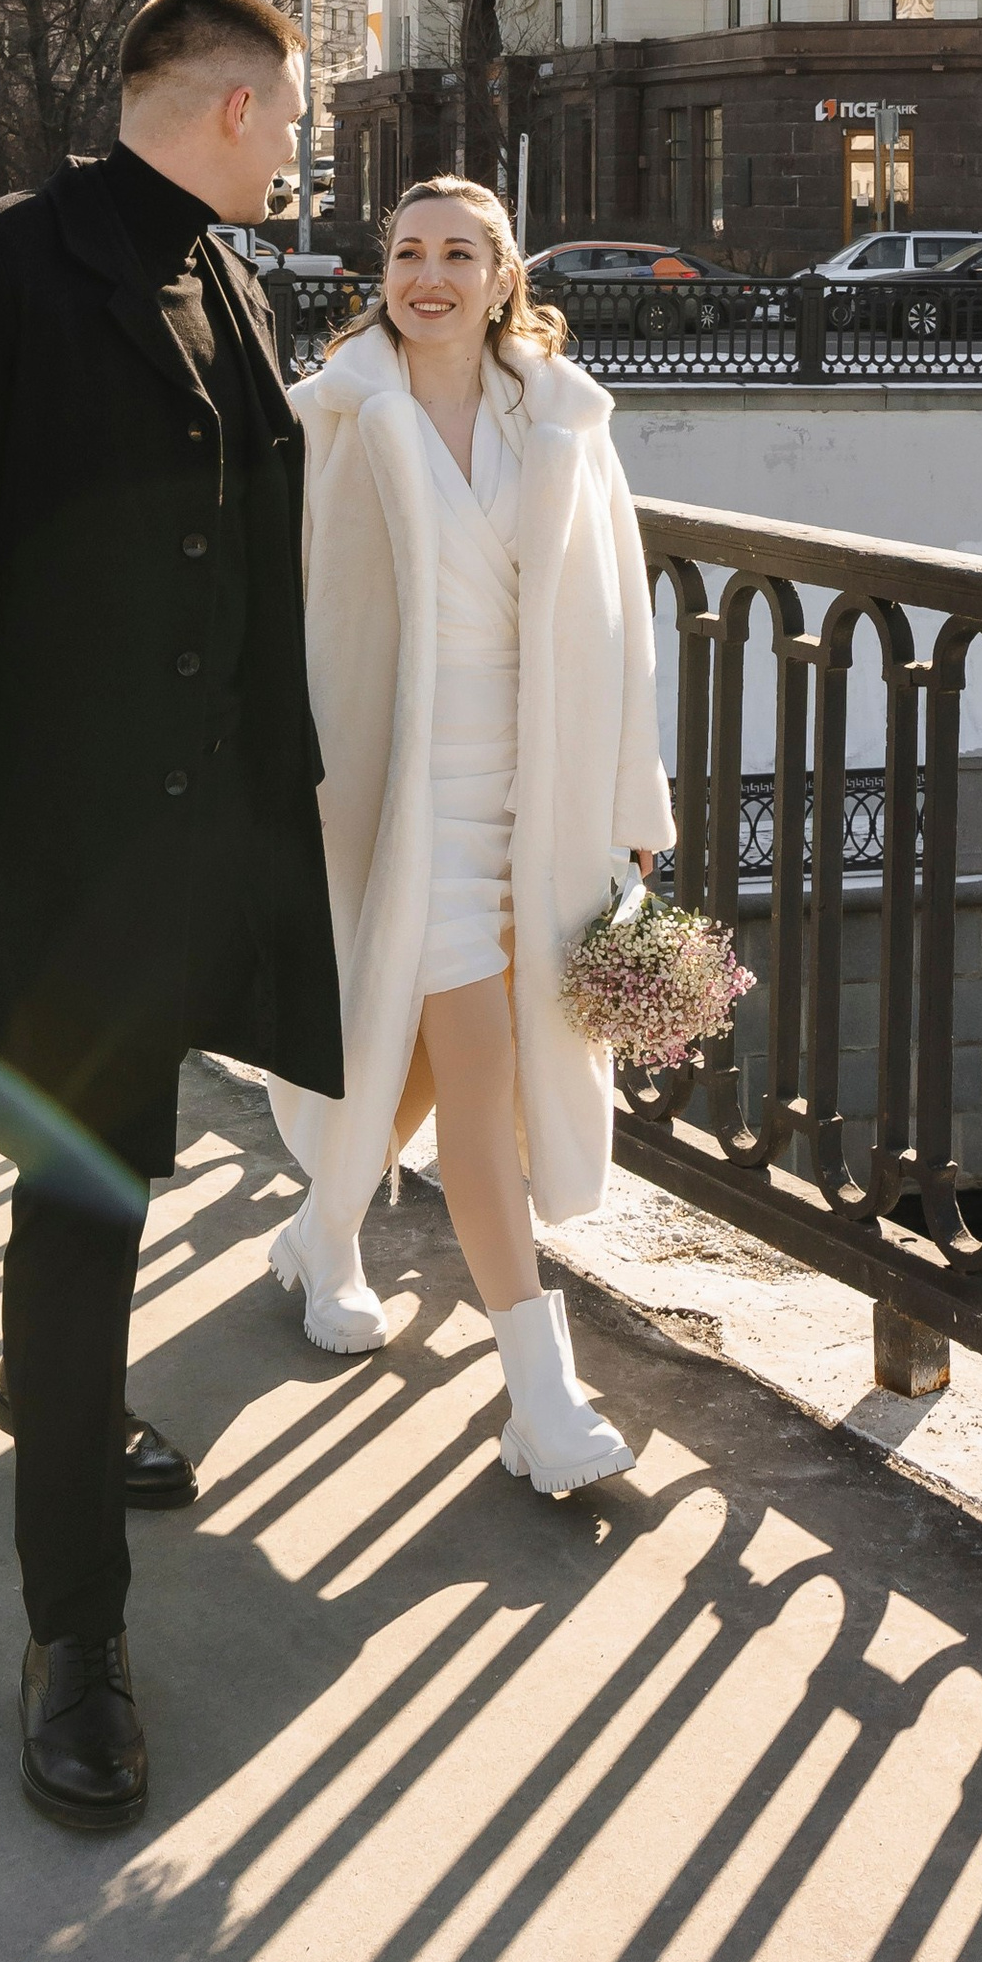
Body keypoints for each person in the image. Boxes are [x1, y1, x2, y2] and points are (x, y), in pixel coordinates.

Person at [0, 0, 343, 1832]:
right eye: (292, 116)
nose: (298, 147)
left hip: (189, 841)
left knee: (102, 1178)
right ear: (230, 106)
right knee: (84, 1187)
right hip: (47, 840)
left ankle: (53, 1400)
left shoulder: (231, 279)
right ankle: (76, 1642)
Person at [266, 176, 671, 1493]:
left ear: (503, 277)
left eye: (456, 254)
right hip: (394, 799)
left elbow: (623, 625)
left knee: (436, 1060)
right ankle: (541, 1401)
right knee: (483, 1082)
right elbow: (275, 606)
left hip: (533, 799)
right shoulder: (331, 416)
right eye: (405, 253)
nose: (427, 277)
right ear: (379, 272)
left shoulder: (562, 420)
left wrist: (631, 805)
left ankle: (322, 1230)